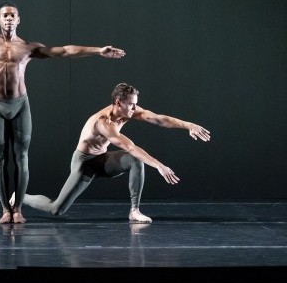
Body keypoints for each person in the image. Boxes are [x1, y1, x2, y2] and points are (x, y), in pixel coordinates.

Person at [0, 0, 127, 224]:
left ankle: (19, 210)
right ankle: (6, 210)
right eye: (5, 15)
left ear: (19, 19)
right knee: (0, 159)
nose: (9, 18)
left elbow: (64, 51)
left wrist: (97, 50)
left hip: (20, 105)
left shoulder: (28, 48)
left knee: (22, 157)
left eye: (13, 15)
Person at [14, 82, 211, 223]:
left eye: (135, 103)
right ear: (118, 103)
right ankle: (20, 197)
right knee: (56, 209)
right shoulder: (103, 122)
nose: (135, 108)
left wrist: (188, 125)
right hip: (84, 163)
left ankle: (134, 211)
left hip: (103, 160)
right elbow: (130, 146)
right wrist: (159, 166)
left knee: (135, 161)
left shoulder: (129, 111)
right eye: (131, 104)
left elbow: (158, 119)